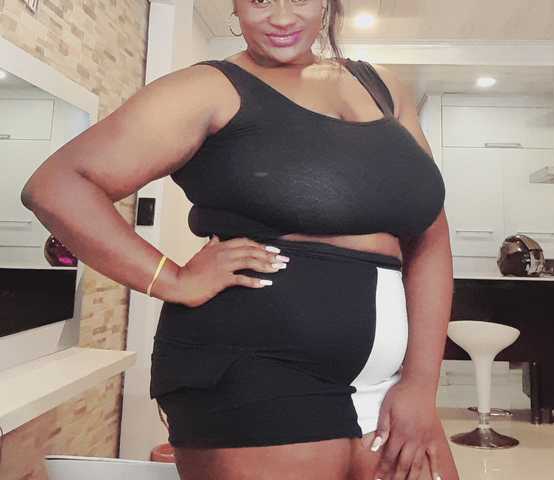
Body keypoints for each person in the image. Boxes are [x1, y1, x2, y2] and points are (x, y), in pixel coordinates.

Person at [20, 0, 459, 479]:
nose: (282, 17)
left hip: (389, 380)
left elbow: (430, 234)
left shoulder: (383, 88)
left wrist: (421, 384)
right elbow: (57, 186)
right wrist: (172, 279)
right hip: (251, 367)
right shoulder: (206, 89)